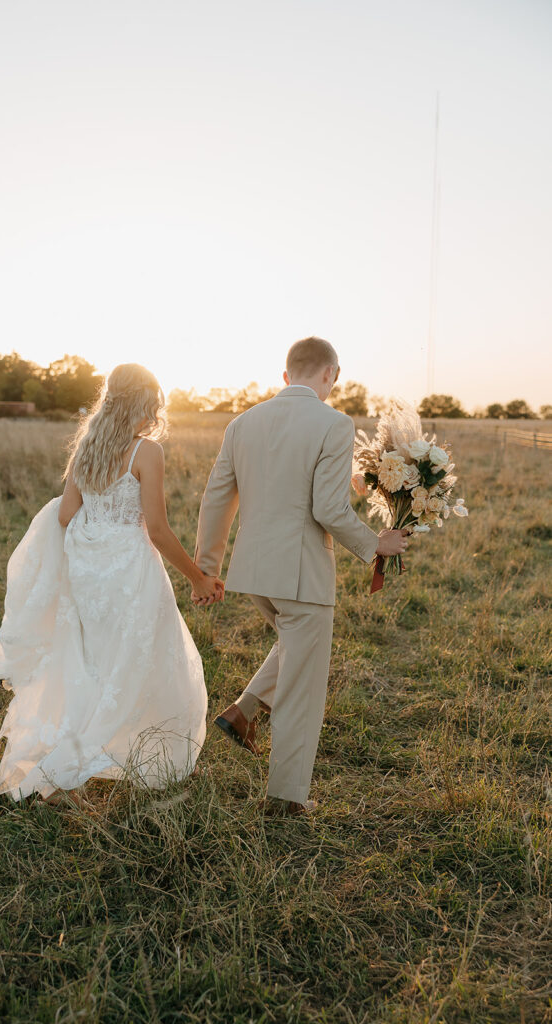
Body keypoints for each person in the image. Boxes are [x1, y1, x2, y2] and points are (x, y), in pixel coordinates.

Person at [194, 337, 410, 816]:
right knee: (303, 686)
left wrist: (206, 568)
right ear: (332, 374)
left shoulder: (242, 423)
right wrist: (377, 543)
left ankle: (242, 712)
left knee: (294, 648)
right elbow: (327, 507)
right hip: (301, 574)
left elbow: (216, 498)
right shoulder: (335, 423)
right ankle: (287, 798)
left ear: (286, 374)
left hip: (254, 573)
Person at [0, 363, 222, 805]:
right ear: (145, 401)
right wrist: (198, 577)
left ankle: (76, 758)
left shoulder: (87, 449)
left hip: (88, 571)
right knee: (136, 661)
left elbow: (64, 516)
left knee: (93, 664)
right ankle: (95, 759)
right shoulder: (146, 452)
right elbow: (155, 529)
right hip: (130, 571)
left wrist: (98, 527)